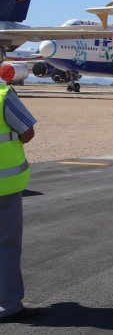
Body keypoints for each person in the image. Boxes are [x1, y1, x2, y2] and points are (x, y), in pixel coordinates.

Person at [0, 83, 36, 321]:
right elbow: (27, 132)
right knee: (6, 246)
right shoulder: (3, 95)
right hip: (4, 186)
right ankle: (8, 305)